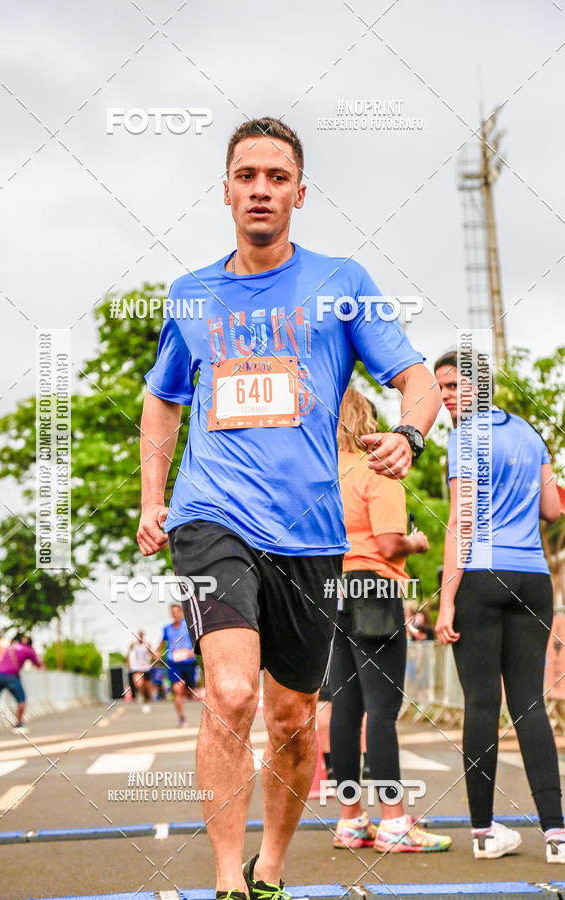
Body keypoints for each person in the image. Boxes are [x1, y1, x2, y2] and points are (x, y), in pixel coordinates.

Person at [137, 116, 441, 900]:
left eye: (277, 177)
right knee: (232, 693)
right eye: (248, 175)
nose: (262, 189)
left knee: (296, 719)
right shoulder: (191, 295)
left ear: (299, 193)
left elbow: (415, 376)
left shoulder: (341, 284)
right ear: (227, 191)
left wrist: (408, 433)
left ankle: (269, 867)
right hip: (212, 516)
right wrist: (153, 499)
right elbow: (163, 401)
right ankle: (224, 883)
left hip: (308, 534)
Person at [434, 349, 565, 862]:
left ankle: (486, 835)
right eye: (440, 389)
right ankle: (556, 837)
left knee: (483, 705)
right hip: (533, 577)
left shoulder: (462, 439)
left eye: (453, 387)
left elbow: (460, 524)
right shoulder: (531, 434)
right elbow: (552, 508)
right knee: (530, 702)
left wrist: (446, 602)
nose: (445, 397)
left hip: (482, 577)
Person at [329, 387, 451, 853]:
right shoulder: (377, 467)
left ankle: (350, 821)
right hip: (374, 589)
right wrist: (417, 544)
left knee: (345, 710)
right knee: (382, 712)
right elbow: (386, 544)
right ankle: (395, 822)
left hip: (331, 589)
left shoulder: (320, 472)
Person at [0, 633, 42, 735]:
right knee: (21, 700)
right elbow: (38, 664)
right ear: (31, 643)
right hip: (11, 676)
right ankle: (19, 724)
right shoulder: (29, 650)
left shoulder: (10, 647)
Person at [159, 602, 196, 727]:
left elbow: (197, 639)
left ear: (181, 613)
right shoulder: (167, 629)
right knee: (177, 689)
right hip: (173, 662)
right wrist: (157, 652)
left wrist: (193, 651)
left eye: (177, 612)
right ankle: (182, 717)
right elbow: (162, 643)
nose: (175, 615)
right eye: (172, 613)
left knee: (190, 690)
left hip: (188, 662)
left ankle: (189, 691)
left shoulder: (188, 626)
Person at [126, 630, 155, 712]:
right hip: (137, 668)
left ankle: (146, 700)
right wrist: (128, 662)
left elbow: (152, 654)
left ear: (143, 636)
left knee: (147, 687)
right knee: (138, 683)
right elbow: (128, 653)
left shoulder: (147, 644)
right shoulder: (133, 645)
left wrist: (154, 658)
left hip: (146, 668)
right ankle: (140, 694)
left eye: (141, 635)